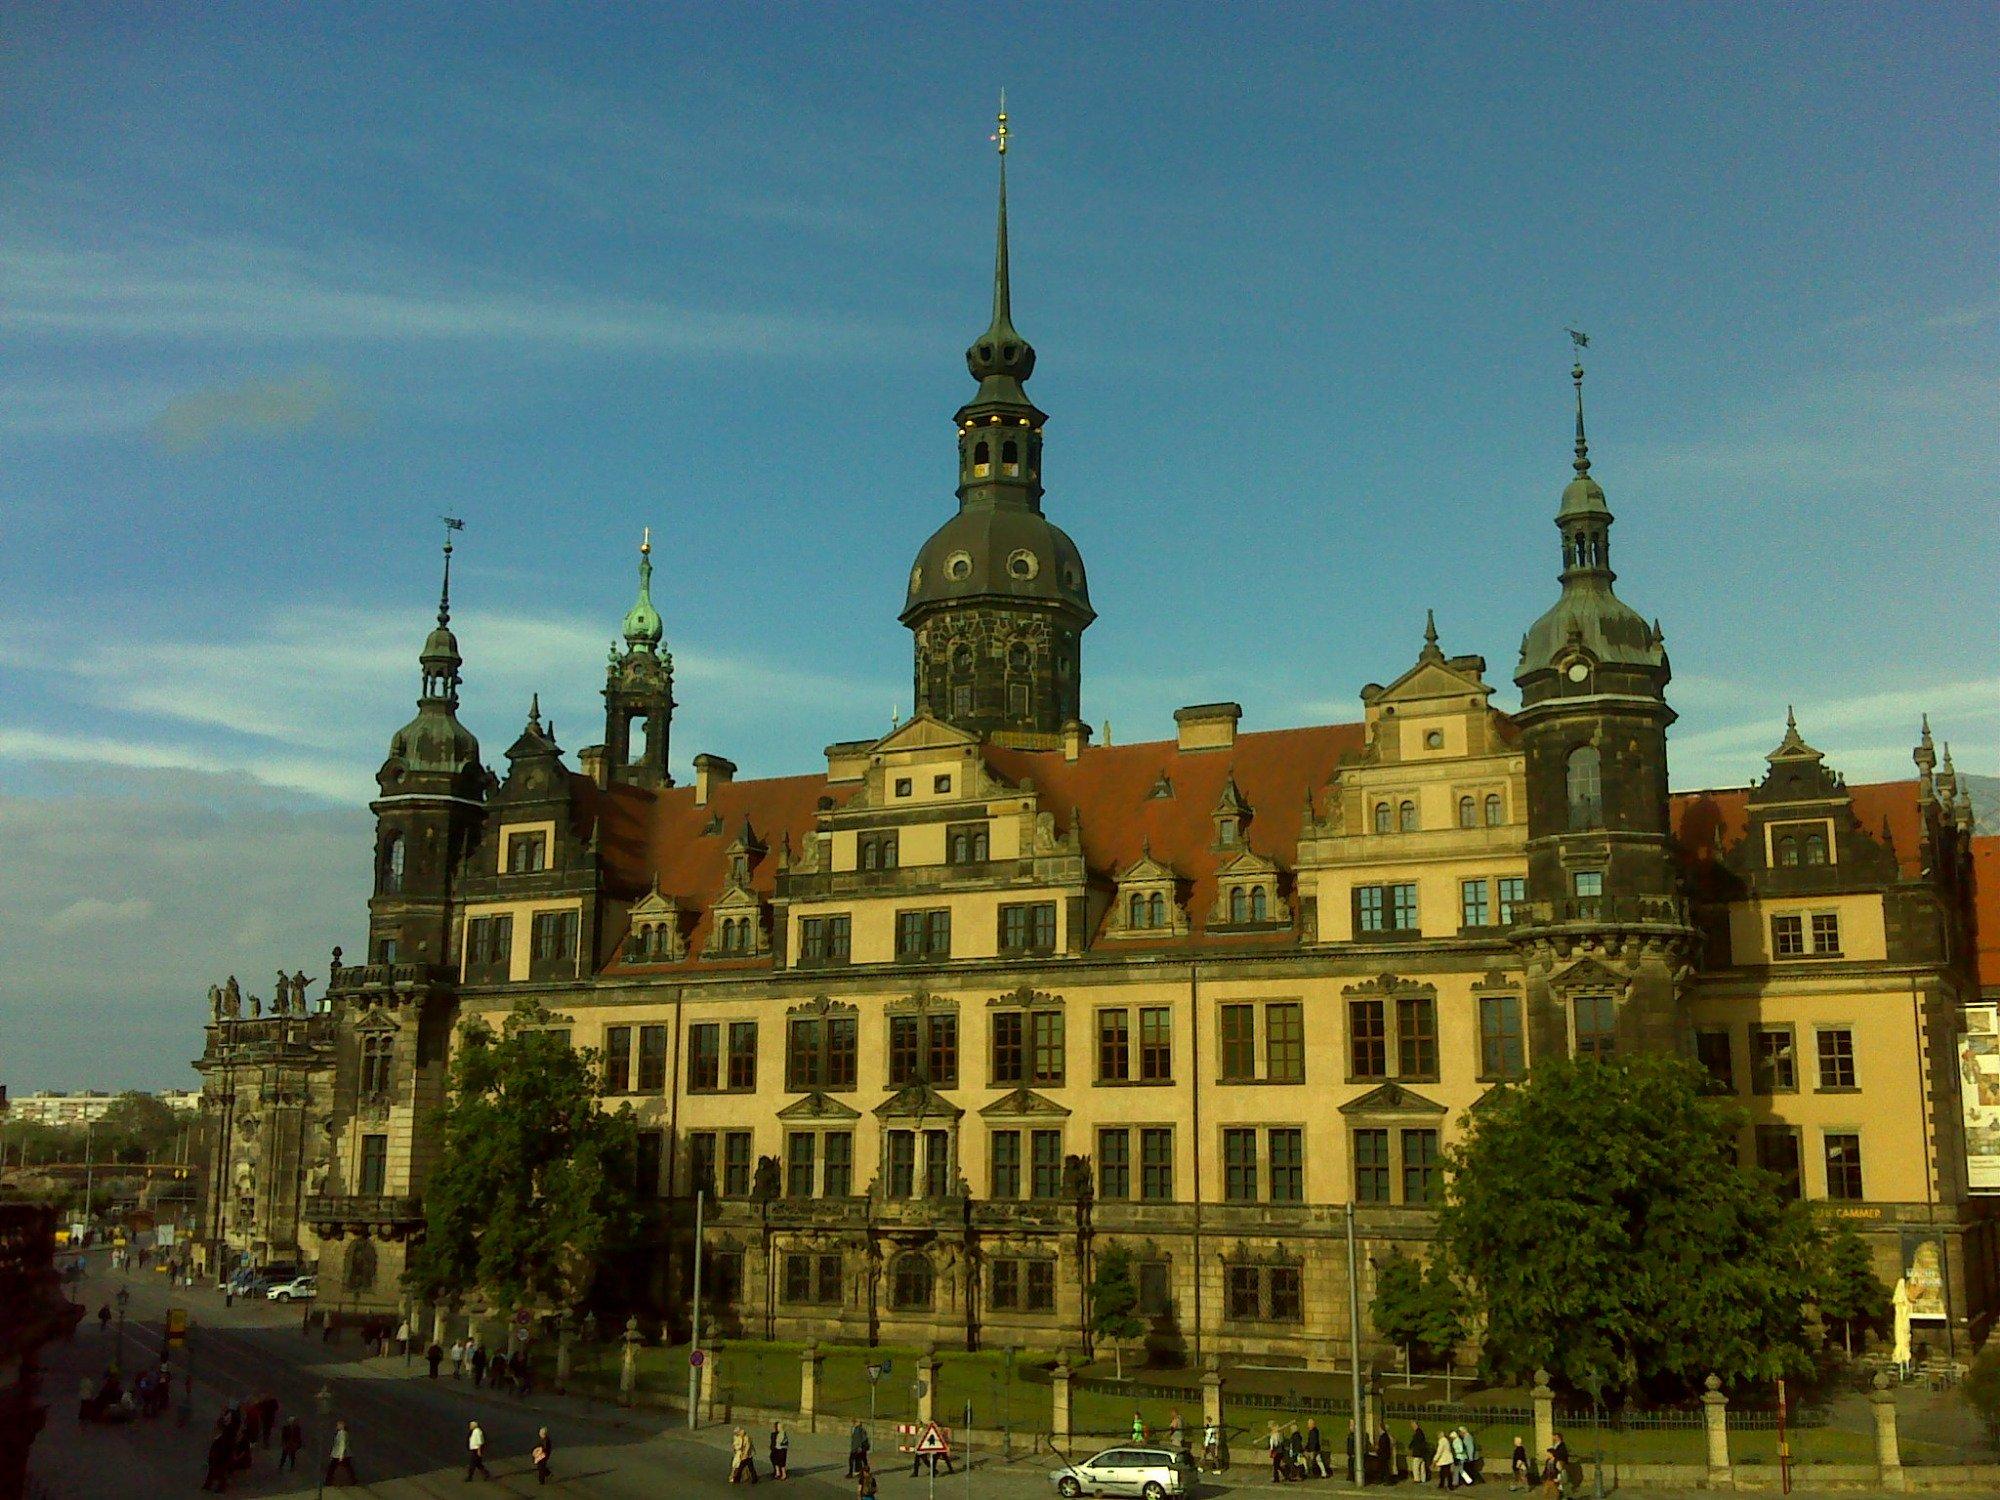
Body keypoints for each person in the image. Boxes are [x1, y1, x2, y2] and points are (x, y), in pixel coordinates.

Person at [201, 1421, 234, 1492]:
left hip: (220, 1459)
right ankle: (213, 1486)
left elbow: (221, 1450)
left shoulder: (222, 1439)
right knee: (216, 1473)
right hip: (219, 1458)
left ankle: (217, 1487)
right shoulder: (222, 1438)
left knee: (218, 1473)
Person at [324, 1419, 356, 1487]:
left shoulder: (342, 1433)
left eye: (338, 1425)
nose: (337, 1426)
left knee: (332, 1468)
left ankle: (328, 1481)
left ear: (342, 1426)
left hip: (340, 1455)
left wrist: (341, 1456)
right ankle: (353, 1480)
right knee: (348, 1467)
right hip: (342, 1454)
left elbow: (342, 1445)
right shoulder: (341, 1433)